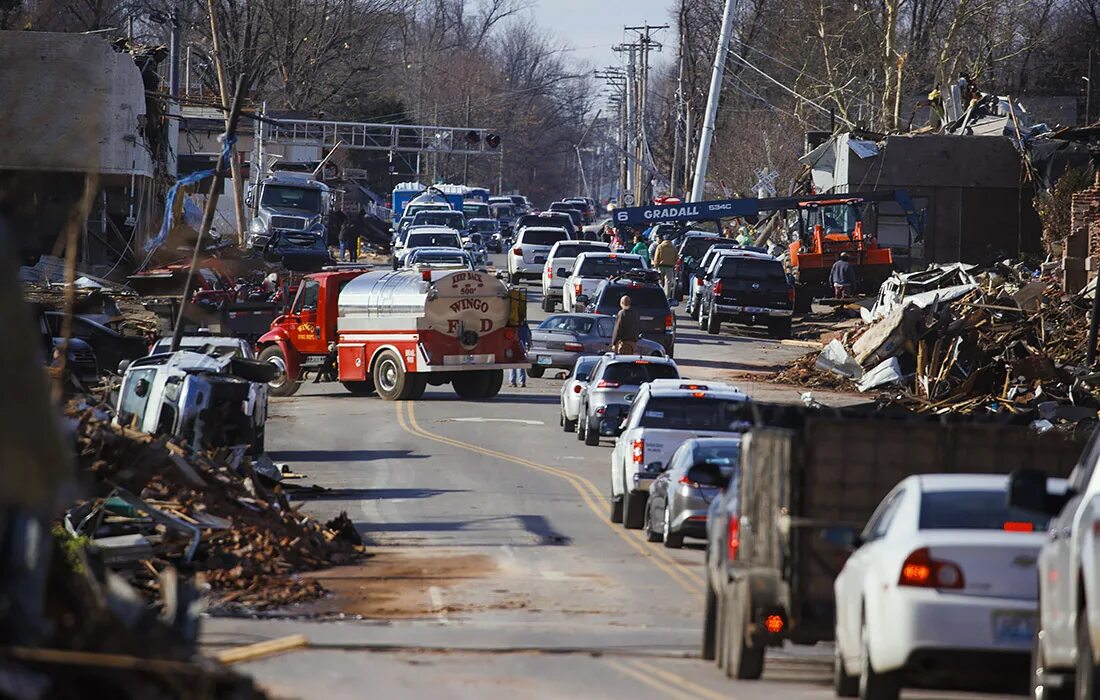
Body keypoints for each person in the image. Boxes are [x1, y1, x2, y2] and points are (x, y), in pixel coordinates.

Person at [509, 319, 531, 387]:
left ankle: (513, 382)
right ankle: (522, 382)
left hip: (513, 346)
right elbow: (528, 335)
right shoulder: (524, 325)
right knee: (521, 364)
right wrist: (529, 345)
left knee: (512, 364)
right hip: (522, 346)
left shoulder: (513, 325)